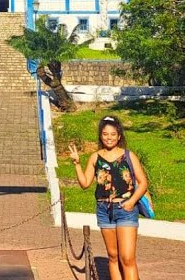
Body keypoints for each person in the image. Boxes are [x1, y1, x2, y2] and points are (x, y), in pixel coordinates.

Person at [68, 116, 147, 280]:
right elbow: (85, 183)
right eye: (105, 134)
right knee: (113, 256)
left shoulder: (128, 156)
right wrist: (76, 164)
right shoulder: (95, 158)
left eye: (113, 134)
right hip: (104, 210)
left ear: (119, 136)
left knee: (127, 258)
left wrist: (131, 202)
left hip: (125, 209)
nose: (109, 137)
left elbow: (143, 182)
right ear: (100, 135)